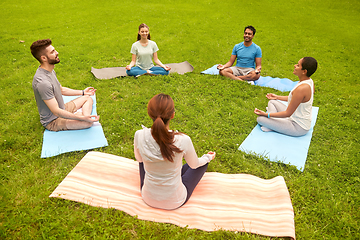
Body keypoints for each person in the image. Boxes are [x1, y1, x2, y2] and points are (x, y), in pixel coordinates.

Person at [134, 94, 216, 210]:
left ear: (149, 113)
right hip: (174, 201)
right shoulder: (183, 140)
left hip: (148, 197)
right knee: (202, 164)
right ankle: (179, 174)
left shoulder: (139, 135)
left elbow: (139, 160)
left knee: (142, 162)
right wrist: (208, 157)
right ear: (173, 115)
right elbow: (194, 165)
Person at [30, 39, 100, 131]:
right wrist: (80, 118)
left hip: (62, 108)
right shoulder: (43, 83)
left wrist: (83, 92)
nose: (57, 53)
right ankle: (85, 118)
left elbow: (61, 90)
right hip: (53, 120)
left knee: (87, 98)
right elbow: (56, 111)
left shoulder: (49, 70)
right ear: (44, 58)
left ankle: (86, 116)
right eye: (53, 52)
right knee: (87, 123)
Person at [254, 57, 318, 137]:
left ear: (304, 71)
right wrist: (277, 97)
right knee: (272, 102)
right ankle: (275, 124)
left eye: (298, 65)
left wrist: (267, 115)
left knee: (260, 119)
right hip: (293, 116)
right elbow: (295, 99)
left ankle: (273, 125)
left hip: (298, 126)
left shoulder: (302, 89)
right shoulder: (308, 80)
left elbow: (287, 113)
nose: (295, 66)